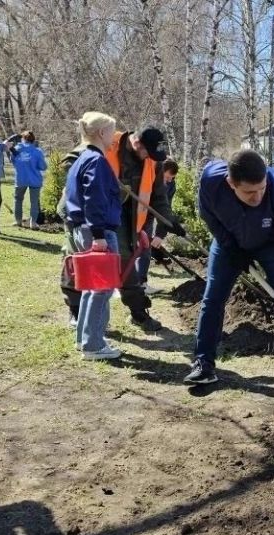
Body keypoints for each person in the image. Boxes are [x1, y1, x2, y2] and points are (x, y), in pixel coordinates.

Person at [184, 149, 274, 394]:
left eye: (261, 189)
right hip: (229, 243)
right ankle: (204, 364)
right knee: (213, 298)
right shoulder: (212, 180)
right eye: (250, 192)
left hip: (271, 244)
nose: (258, 197)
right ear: (231, 183)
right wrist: (229, 244)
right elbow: (207, 213)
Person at [106, 127, 182, 331]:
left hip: (130, 217)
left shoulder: (153, 162)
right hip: (101, 213)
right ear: (137, 143)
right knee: (115, 261)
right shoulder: (107, 143)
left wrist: (169, 222)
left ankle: (138, 313)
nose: (152, 158)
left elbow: (159, 197)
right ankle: (77, 311)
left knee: (127, 262)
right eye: (148, 151)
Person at [64, 112, 123, 360]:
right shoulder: (96, 161)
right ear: (101, 133)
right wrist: (99, 235)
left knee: (92, 287)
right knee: (102, 288)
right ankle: (93, 345)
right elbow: (94, 198)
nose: (114, 138)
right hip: (96, 230)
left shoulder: (81, 158)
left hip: (82, 228)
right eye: (112, 132)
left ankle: (85, 338)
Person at [136, 158, 180, 293]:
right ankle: (122, 284)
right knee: (127, 249)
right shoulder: (144, 177)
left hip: (147, 218)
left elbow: (165, 209)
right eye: (167, 177)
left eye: (172, 178)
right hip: (132, 216)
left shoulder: (170, 186)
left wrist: (160, 234)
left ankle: (141, 284)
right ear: (159, 172)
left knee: (145, 249)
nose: (170, 181)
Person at [10, 130, 47, 230]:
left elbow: (13, 161)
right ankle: (33, 223)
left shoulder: (17, 149)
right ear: (33, 140)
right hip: (35, 180)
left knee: (18, 200)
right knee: (34, 202)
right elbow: (43, 167)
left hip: (20, 179)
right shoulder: (37, 151)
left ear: (22, 139)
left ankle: (18, 221)